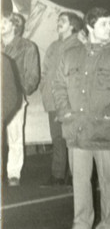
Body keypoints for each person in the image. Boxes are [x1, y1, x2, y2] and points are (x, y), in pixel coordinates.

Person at [52, 7, 110, 229]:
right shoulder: (70, 55)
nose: (109, 28)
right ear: (89, 27)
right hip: (76, 128)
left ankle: (108, 227)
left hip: (103, 128)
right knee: (79, 179)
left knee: (107, 178)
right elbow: (59, 86)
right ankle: (81, 227)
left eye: (109, 24)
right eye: (103, 24)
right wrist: (65, 110)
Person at [39, 11, 85, 186]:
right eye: (58, 20)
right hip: (53, 100)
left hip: (69, 100)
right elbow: (45, 71)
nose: (58, 23)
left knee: (72, 137)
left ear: (72, 26)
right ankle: (57, 175)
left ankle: (75, 175)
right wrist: (45, 87)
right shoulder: (52, 46)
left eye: (63, 21)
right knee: (57, 137)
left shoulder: (78, 46)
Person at [2, 11, 40, 187]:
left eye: (4, 21)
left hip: (14, 98)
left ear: (15, 25)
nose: (1, 24)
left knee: (15, 136)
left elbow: (33, 76)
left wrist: (19, 92)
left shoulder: (27, 46)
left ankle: (13, 173)